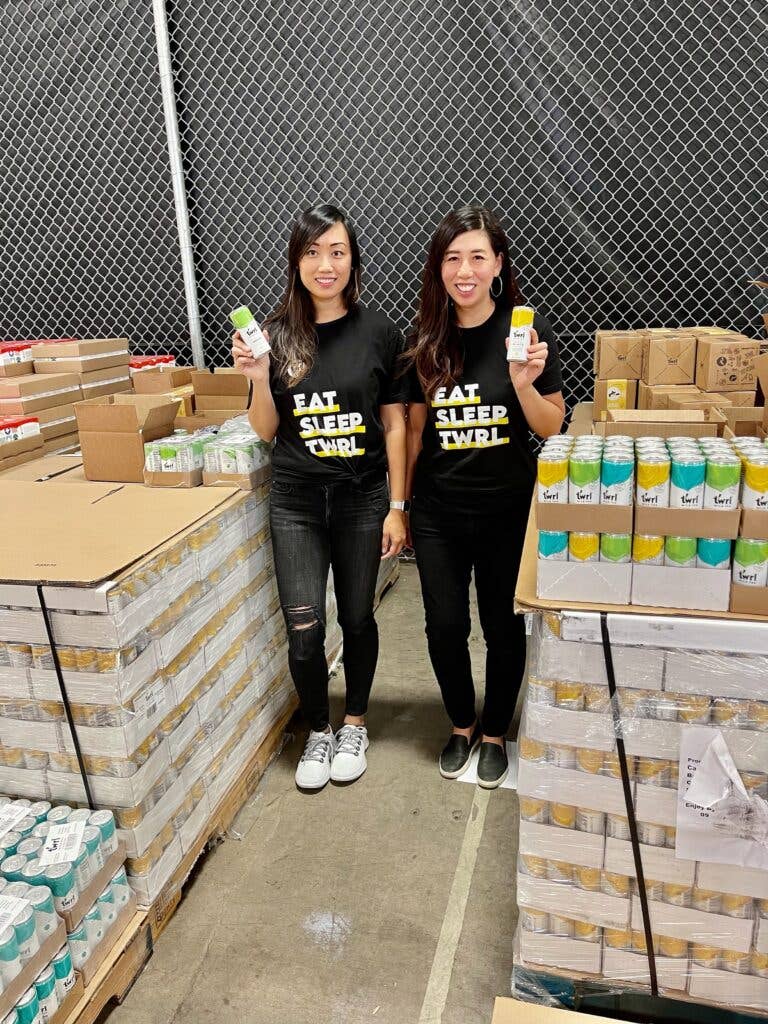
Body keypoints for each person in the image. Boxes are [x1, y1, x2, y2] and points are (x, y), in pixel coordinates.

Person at [232, 203, 409, 790]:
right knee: (305, 628)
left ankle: (354, 723)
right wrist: (257, 379)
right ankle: (317, 730)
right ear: (296, 261)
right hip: (296, 502)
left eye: (337, 251)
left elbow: (396, 426)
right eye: (312, 252)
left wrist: (397, 507)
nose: (325, 264)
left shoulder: (380, 333)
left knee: (357, 617)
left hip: (362, 497)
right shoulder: (274, 336)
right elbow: (265, 430)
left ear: (353, 260)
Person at [404, 204, 565, 789]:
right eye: (452, 258)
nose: (464, 270)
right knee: (444, 626)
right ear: (439, 268)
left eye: (477, 257)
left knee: (502, 627)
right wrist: (402, 508)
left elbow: (551, 425)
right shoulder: (424, 341)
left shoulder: (525, 335)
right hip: (439, 514)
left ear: (498, 264)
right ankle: (462, 724)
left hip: (507, 510)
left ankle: (495, 732)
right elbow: (414, 432)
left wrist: (522, 384)